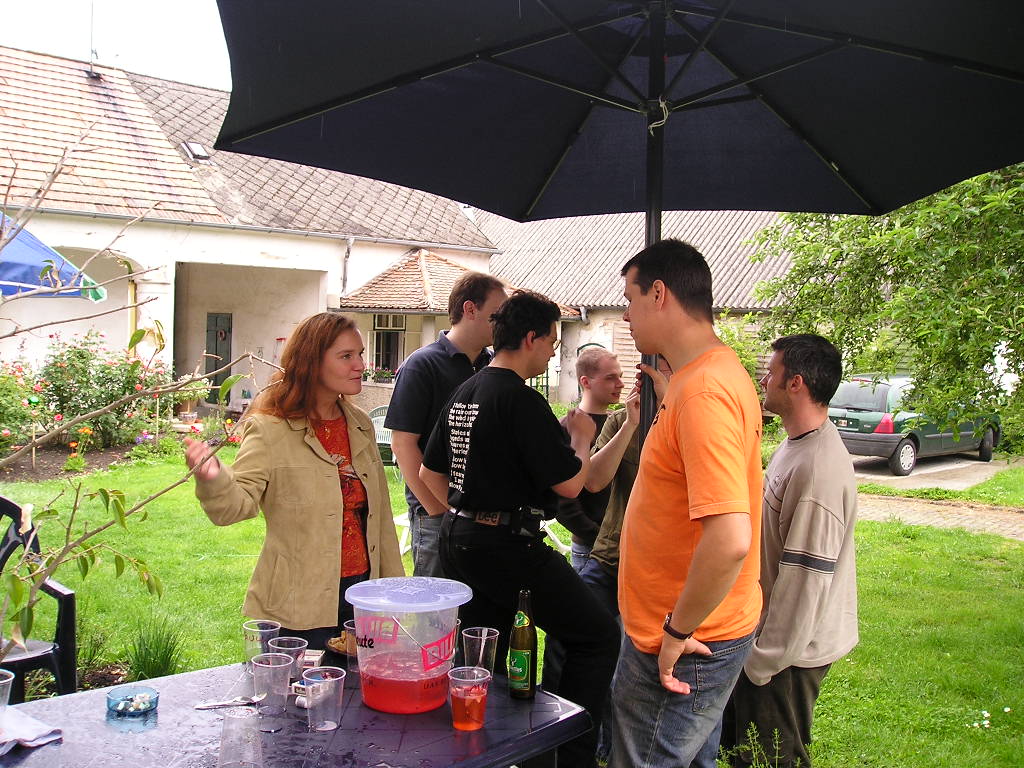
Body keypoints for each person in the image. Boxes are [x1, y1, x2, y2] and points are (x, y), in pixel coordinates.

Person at [420, 289, 620, 768]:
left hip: (460, 538)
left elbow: (429, 473)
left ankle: (489, 752)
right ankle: (568, 754)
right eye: (551, 341)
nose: (552, 351)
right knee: (596, 636)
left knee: (484, 655)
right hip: (509, 546)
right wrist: (580, 437)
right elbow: (571, 485)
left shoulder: (467, 391)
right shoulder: (520, 399)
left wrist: (470, 510)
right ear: (531, 337)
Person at [610, 239, 764, 768]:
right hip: (692, 625)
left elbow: (730, 538)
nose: (625, 315)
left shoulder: (703, 394)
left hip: (684, 637)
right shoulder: (700, 378)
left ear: (659, 294)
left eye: (629, 299)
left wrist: (676, 630)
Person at [184, 313, 405, 650]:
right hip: (297, 604)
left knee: (362, 684)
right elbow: (235, 507)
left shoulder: (360, 424)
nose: (360, 365)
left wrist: (392, 593)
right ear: (312, 362)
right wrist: (213, 478)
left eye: (360, 354)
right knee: (299, 686)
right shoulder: (270, 428)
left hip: (364, 595)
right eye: (346, 356)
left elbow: (382, 520)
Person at [721, 334, 858, 768]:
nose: (764, 379)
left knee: (770, 759)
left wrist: (763, 662)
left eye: (772, 372)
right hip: (774, 641)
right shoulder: (797, 444)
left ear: (795, 383)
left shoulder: (818, 471)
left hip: (791, 654)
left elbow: (805, 583)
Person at [385, 272, 506, 577]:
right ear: (470, 309)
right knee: (436, 603)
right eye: (497, 314)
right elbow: (402, 444)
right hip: (436, 516)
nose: (503, 322)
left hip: (484, 515)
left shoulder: (494, 365)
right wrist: (439, 510)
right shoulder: (422, 365)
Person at [554, 347, 624, 571]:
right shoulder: (568, 427)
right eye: (611, 378)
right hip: (590, 550)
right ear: (586, 381)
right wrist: (597, 537)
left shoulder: (621, 424)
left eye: (620, 376)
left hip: (625, 545)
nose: (620, 384)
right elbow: (563, 503)